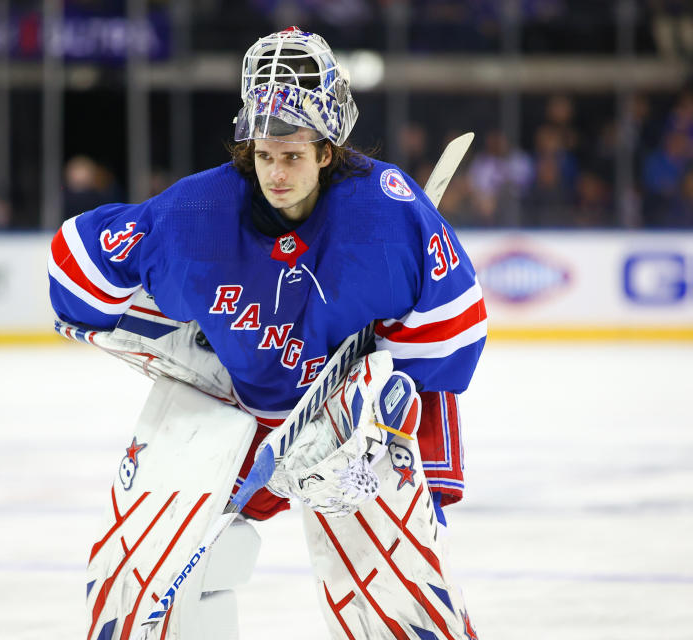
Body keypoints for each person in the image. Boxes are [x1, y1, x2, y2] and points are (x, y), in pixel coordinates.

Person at [47, 27, 486, 640]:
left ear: (327, 151)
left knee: (394, 596)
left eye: (293, 156)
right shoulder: (196, 212)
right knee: (135, 572)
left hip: (342, 414)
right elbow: (75, 266)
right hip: (223, 389)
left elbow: (448, 339)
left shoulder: (386, 213)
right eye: (263, 155)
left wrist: (394, 429)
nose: (275, 174)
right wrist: (170, 329)